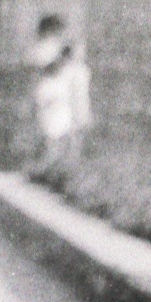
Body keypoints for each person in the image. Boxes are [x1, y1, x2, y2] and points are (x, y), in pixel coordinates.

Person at [31, 14, 91, 186]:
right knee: (52, 134)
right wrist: (63, 55)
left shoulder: (75, 67)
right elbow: (47, 66)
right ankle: (50, 172)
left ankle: (62, 173)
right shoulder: (45, 49)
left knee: (67, 135)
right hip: (52, 95)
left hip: (63, 95)